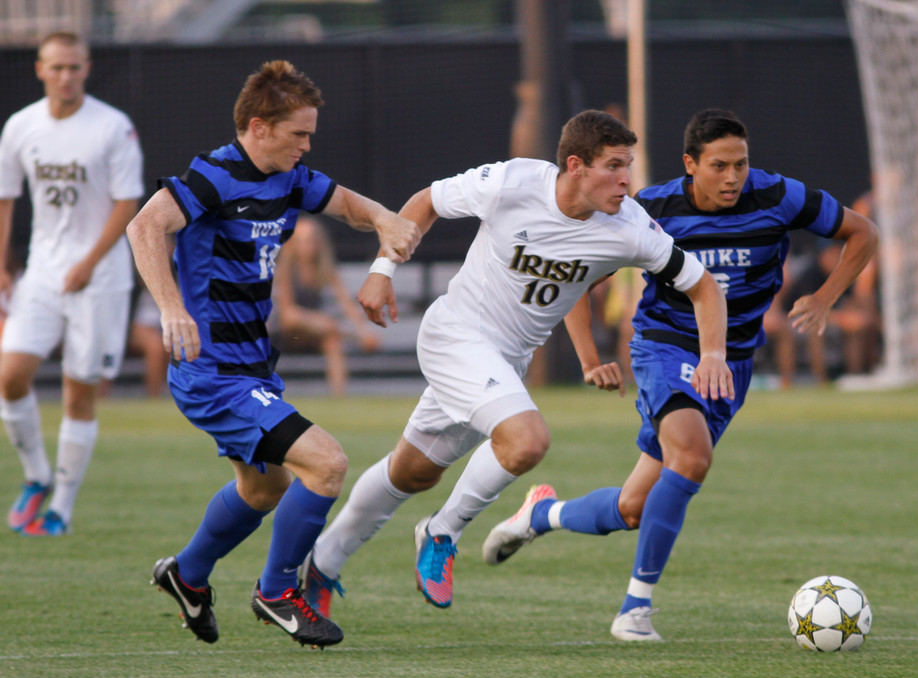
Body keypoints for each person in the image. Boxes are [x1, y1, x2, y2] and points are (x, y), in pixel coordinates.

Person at [300, 109, 734, 619]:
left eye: (629, 166)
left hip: (504, 364)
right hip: (454, 335)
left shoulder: (631, 226)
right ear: (576, 166)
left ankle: (320, 565)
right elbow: (426, 201)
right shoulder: (512, 182)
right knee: (527, 440)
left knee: (411, 472)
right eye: (614, 166)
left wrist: (712, 354)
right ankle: (442, 531)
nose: (626, 179)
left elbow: (703, 286)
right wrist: (382, 270)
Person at [481, 108, 879, 641]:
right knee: (691, 458)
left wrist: (827, 297)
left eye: (740, 164)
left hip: (732, 364)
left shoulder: (779, 196)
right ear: (690, 164)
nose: (733, 178)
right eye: (719, 166)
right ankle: (635, 610)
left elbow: (862, 232)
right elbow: (577, 277)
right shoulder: (650, 210)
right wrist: (589, 359)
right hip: (664, 347)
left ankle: (541, 516)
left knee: (632, 508)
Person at [126, 60, 418, 648]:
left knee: (264, 489)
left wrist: (385, 219)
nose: (307, 145)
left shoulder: (290, 178)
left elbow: (346, 204)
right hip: (212, 372)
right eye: (298, 134)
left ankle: (187, 574)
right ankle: (278, 591)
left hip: (252, 367)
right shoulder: (215, 176)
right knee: (326, 463)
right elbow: (144, 226)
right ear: (259, 128)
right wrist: (172, 308)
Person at [0, 31, 144, 537]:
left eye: (74, 67)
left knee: (78, 394)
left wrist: (89, 262)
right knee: (9, 376)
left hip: (99, 279)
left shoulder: (113, 127)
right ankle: (37, 475)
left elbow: (127, 203)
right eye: (56, 67)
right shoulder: (21, 125)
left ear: (87, 69)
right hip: (42, 271)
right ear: (40, 69)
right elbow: (5, 199)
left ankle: (60, 507)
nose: (65, 76)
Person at [273, 213, 380, 396]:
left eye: (311, 240)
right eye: (302, 241)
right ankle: (350, 336)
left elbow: (346, 303)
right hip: (286, 333)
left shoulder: (324, 269)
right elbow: (288, 315)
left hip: (314, 331)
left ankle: (338, 396)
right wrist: (329, 324)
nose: (307, 246)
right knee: (316, 324)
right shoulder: (285, 269)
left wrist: (364, 330)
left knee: (332, 340)